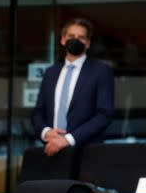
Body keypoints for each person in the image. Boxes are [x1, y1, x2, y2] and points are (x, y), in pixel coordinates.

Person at [32, 18, 114, 156]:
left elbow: (104, 114)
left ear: (87, 43)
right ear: (63, 39)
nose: (75, 40)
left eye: (81, 37)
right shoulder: (51, 73)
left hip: (86, 152)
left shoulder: (101, 71)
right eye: (71, 36)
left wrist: (68, 140)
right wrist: (46, 132)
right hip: (51, 151)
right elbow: (38, 112)